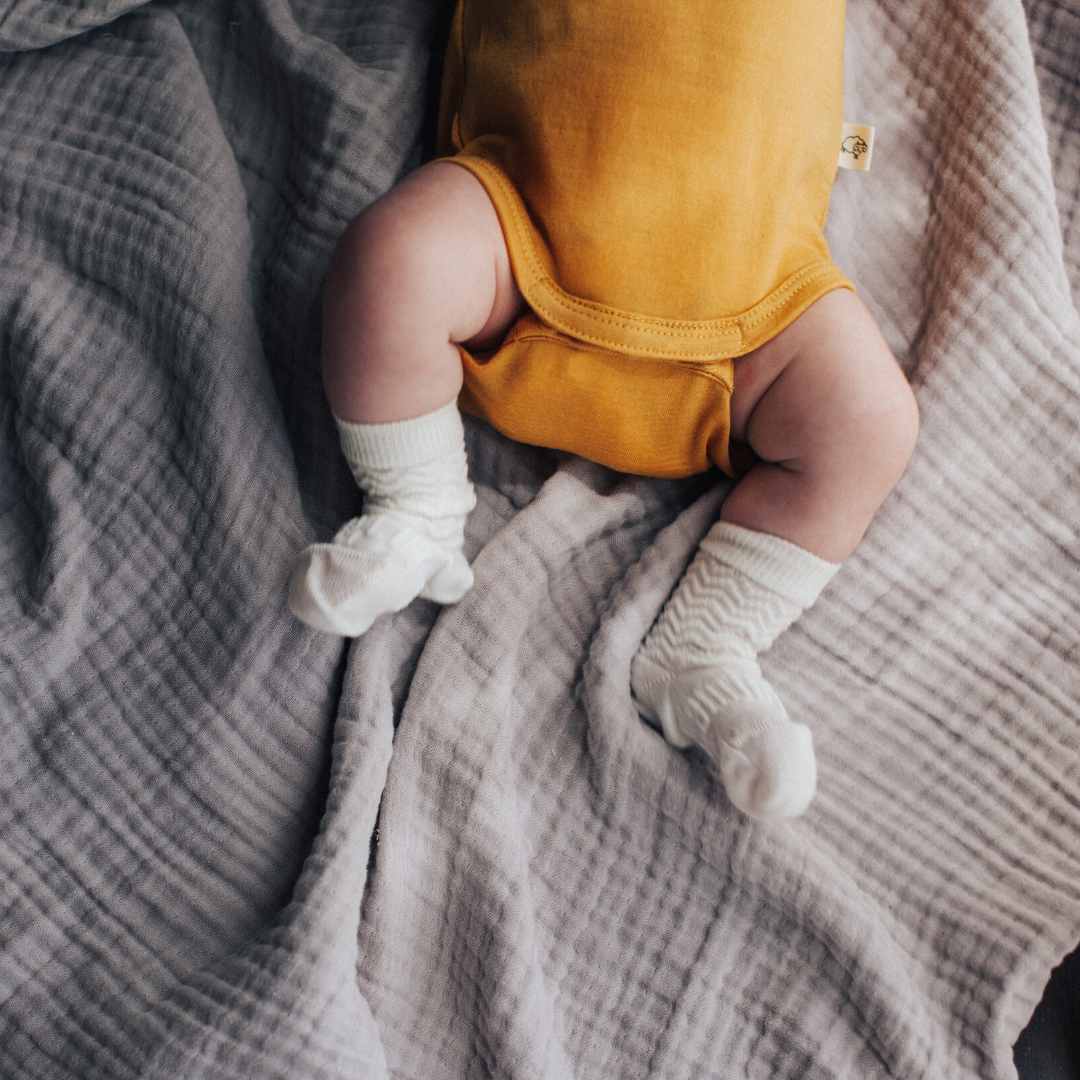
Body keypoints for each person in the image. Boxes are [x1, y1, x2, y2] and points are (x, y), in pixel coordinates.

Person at [289, 0, 920, 819]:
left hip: (755, 318)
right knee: (391, 260)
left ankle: (706, 643)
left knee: (871, 423)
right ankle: (417, 506)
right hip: (520, 240)